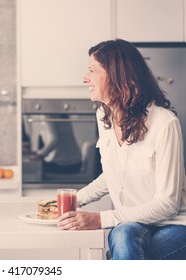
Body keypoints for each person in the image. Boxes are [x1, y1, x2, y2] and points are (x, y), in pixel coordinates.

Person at [57, 39, 186, 260]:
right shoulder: (103, 116)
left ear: (117, 76)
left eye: (91, 71)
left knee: (125, 244)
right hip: (132, 224)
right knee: (123, 235)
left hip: (174, 224)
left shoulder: (165, 123)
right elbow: (114, 174)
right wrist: (75, 200)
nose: (84, 78)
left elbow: (167, 203)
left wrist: (99, 219)